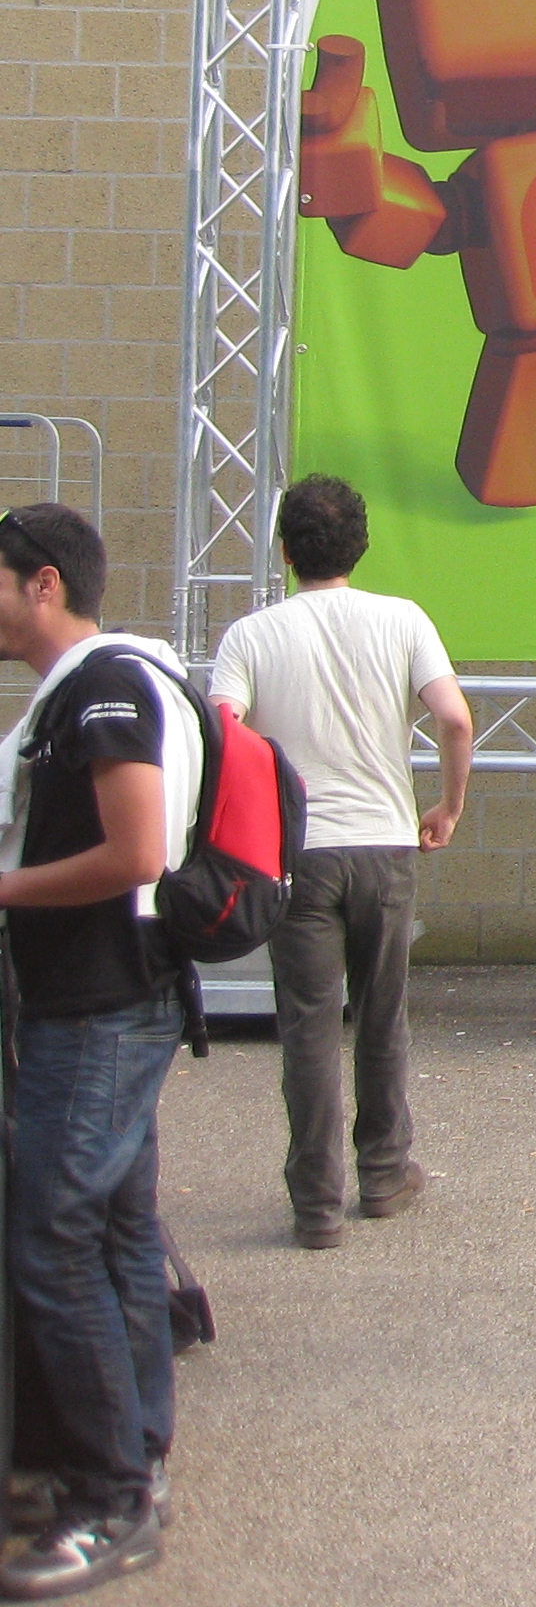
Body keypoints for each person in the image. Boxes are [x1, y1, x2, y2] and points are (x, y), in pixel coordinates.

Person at [0, 501, 196, 1599]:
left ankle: (109, 1497)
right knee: (117, 1235)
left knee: (52, 1241)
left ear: (43, 585)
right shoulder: (100, 684)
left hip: (97, 1009)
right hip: (114, 1003)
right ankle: (137, 1461)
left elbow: (135, 853)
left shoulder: (103, 688)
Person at [205, 477, 469, 1252]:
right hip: (385, 845)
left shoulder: (250, 637)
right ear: (361, 545)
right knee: (383, 1017)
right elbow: (454, 719)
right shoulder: (402, 619)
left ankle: (316, 1205)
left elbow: (222, 735)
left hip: (298, 852)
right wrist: (448, 807)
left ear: (284, 551)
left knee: (308, 1028)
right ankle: (383, 1175)